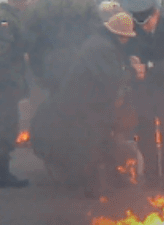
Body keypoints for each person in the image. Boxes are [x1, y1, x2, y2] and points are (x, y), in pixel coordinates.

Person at [31, 11, 138, 197]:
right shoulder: (102, 47)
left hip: (90, 103)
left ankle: (113, 177)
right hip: (85, 105)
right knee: (91, 145)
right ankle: (92, 186)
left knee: (105, 139)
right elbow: (111, 77)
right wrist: (133, 71)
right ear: (118, 35)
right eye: (125, 37)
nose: (127, 41)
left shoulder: (100, 42)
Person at [127, 0, 164, 191]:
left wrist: (151, 67)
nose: (143, 27)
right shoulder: (133, 32)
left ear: (156, 14)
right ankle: (151, 175)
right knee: (145, 135)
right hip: (143, 92)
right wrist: (132, 63)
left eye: (147, 22)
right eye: (139, 22)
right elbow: (126, 51)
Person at [0, 0, 33, 188]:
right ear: (16, 0)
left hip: (5, 83)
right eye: (25, 1)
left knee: (0, 126)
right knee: (5, 127)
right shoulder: (5, 20)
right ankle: (1, 174)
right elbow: (0, 55)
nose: (26, 4)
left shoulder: (9, 16)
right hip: (4, 84)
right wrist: (21, 56)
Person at [25, 0, 100, 93]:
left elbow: (31, 43)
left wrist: (38, 73)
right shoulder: (88, 3)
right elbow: (97, 39)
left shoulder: (40, 6)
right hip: (81, 68)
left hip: (50, 70)